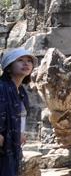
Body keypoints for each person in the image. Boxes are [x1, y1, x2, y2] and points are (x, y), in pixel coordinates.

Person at [0, 48, 35, 176]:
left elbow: (20, 116)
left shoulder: (21, 91)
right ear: (9, 67)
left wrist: (20, 133)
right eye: (20, 60)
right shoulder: (2, 87)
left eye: (29, 61)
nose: (26, 64)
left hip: (12, 143)